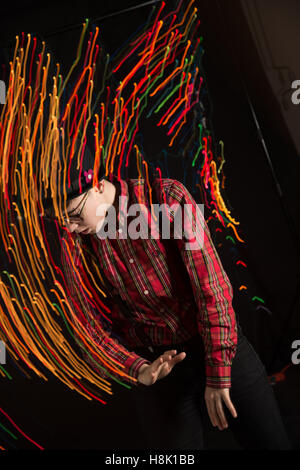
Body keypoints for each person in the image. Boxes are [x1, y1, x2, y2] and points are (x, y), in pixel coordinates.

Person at [44, 171, 292, 450]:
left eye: (76, 215)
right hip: (155, 368)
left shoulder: (166, 199)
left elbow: (212, 289)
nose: (72, 228)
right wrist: (137, 369)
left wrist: (219, 370)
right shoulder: (75, 239)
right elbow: (88, 326)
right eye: (63, 220)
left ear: (99, 186)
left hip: (217, 344)